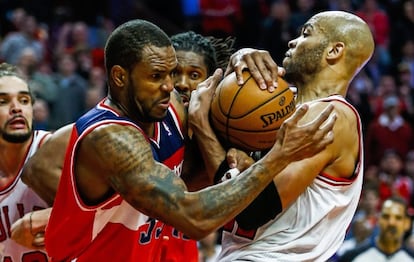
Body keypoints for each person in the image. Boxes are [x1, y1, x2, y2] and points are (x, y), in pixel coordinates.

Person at [12, 19, 335, 261]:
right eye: (157, 76)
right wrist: (280, 153)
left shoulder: (171, 112)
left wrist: (242, 59)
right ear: (120, 77)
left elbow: (202, 162)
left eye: (174, 74)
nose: (171, 86)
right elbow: (196, 219)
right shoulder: (108, 137)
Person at [187, 10, 374, 261]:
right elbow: (200, 176)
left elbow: (253, 211)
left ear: (334, 51)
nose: (292, 41)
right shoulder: (278, 106)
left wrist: (202, 125)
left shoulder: (330, 116)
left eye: (306, 34)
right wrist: (238, 60)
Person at [0, 63, 50, 260]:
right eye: (3, 102)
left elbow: (108, 207)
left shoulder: (53, 149)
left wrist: (58, 217)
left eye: (24, 100)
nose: (16, 109)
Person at [338, 196, 414, 261]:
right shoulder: (351, 257)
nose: (391, 223)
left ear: (407, 223)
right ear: (378, 220)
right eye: (386, 216)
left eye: (398, 218)